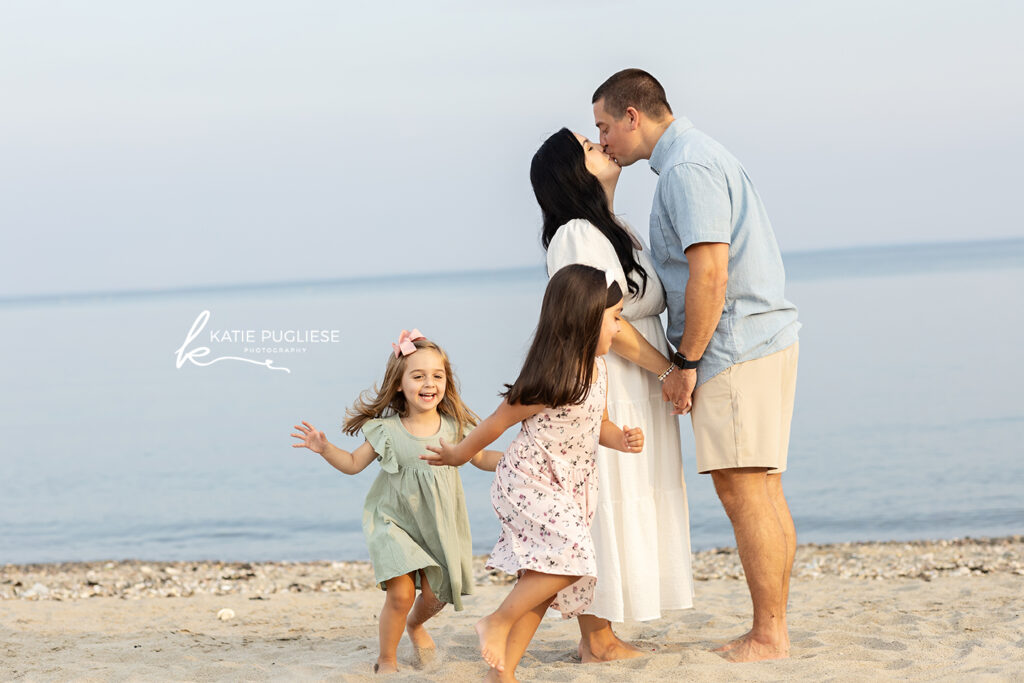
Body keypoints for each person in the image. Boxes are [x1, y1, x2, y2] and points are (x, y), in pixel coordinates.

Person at [591, 68, 800, 663]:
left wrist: (684, 361)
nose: (602, 140)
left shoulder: (685, 169)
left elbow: (710, 271)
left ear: (634, 115)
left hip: (734, 347)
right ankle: (774, 628)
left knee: (743, 492)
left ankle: (769, 635)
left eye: (604, 126)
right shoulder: (697, 157)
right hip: (761, 338)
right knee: (762, 487)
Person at [421, 265, 645, 682]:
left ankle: (500, 673)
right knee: (571, 560)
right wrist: (458, 455)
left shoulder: (599, 372)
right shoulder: (550, 380)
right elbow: (495, 423)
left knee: (541, 582)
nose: (618, 328)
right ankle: (497, 621)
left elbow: (598, 424)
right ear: (584, 320)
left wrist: (622, 439)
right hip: (530, 482)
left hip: (571, 487)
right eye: (613, 318)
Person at [529, 127, 694, 661]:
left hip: (638, 379)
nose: (598, 145)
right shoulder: (576, 233)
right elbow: (604, 320)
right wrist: (669, 370)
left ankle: (606, 631)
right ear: (569, 171)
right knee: (605, 501)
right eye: (585, 145)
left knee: (634, 495)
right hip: (616, 380)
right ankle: (595, 638)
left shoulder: (606, 227)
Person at [290, 330, 501, 674]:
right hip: (393, 521)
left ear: (447, 382)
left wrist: (521, 458)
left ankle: (415, 626)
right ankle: (386, 659)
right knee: (401, 595)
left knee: (436, 597)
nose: (429, 383)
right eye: (418, 376)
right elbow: (353, 465)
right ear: (399, 384)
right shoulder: (386, 430)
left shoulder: (454, 428)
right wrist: (325, 448)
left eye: (437, 376)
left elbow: (482, 457)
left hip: (438, 525)